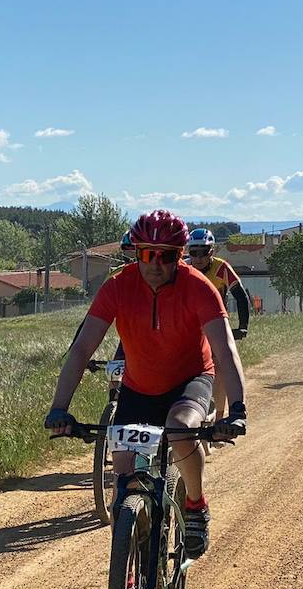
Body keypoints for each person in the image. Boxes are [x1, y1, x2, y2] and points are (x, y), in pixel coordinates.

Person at [45, 210, 247, 558]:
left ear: (179, 255)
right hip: (139, 388)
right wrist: (59, 407)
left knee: (180, 428)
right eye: (146, 254)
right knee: (123, 472)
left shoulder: (198, 287)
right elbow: (81, 349)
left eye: (166, 256)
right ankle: (128, 569)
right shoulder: (118, 287)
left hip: (190, 380)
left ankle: (196, 505)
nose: (155, 264)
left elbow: (225, 350)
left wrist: (238, 409)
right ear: (135, 252)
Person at [185, 227, 251, 418]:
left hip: (215, 324)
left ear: (211, 251)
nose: (198, 258)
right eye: (193, 252)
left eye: (203, 252)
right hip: (191, 326)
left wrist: (243, 326)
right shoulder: (185, 268)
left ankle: (220, 418)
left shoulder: (221, 268)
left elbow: (240, 296)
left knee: (221, 369)